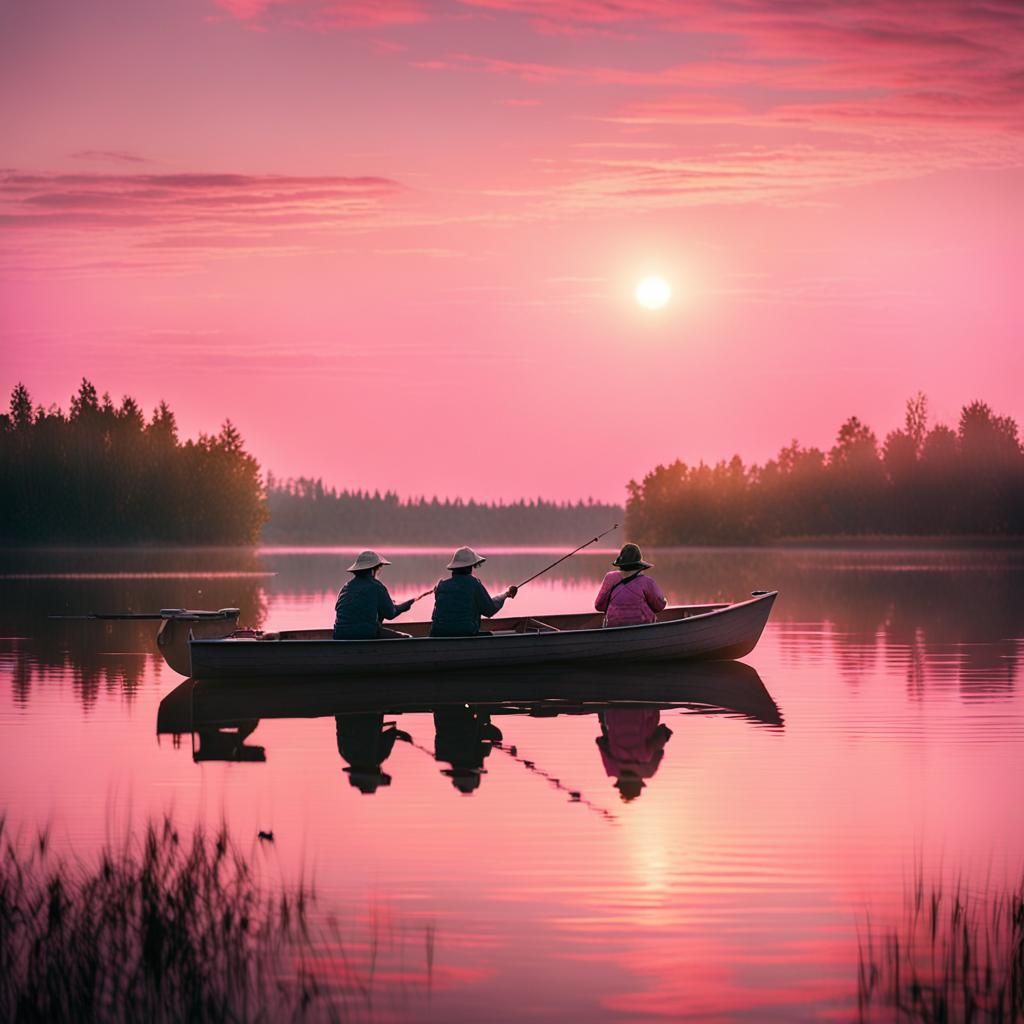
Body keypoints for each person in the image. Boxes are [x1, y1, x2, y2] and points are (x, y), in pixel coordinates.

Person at [429, 546, 517, 637]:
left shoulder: (442, 586)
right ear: (469, 567)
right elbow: (490, 610)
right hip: (466, 634)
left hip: (437, 635)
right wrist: (506, 594)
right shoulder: (474, 584)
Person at [596, 708, 673, 802]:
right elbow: (600, 741)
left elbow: (659, 748)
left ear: (639, 781)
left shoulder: (647, 768)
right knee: (606, 728)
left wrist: (665, 734)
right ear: (620, 782)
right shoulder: (611, 768)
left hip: (645, 710)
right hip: (613, 711)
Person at [333, 550, 414, 640]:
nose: (378, 572)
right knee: (408, 638)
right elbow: (390, 614)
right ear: (372, 570)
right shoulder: (376, 586)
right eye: (378, 569)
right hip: (366, 634)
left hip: (339, 635)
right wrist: (404, 607)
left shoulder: (346, 587)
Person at [594, 543, 667, 627]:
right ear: (639, 564)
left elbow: (599, 606)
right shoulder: (647, 581)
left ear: (621, 563)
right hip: (643, 629)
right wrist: (664, 600)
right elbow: (659, 606)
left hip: (613, 629)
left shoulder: (609, 578)